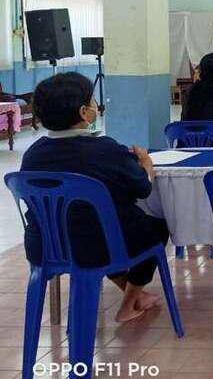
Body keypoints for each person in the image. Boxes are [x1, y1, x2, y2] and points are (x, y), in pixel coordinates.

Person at [20, 73, 170, 323]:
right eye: (92, 101)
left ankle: (135, 295)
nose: (95, 106)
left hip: (45, 247)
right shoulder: (105, 149)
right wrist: (146, 164)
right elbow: (143, 189)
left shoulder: (32, 155)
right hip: (99, 246)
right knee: (154, 228)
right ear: (83, 112)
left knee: (98, 228)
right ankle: (129, 303)